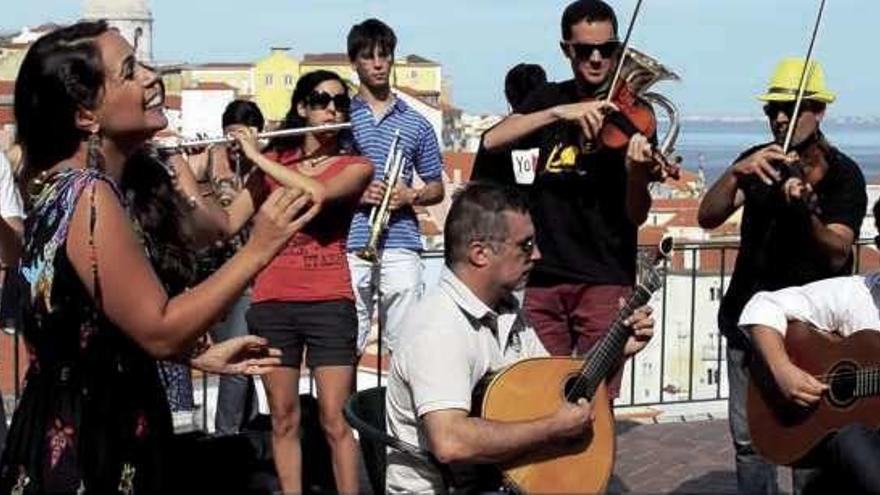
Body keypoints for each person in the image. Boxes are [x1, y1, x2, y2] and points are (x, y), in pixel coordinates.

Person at [0, 21, 313, 493]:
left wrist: (199, 353)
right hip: (95, 445)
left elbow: (88, 326)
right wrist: (258, 248)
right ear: (87, 115)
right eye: (130, 71)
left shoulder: (53, 189)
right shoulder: (89, 194)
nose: (151, 77)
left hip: (64, 431)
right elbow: (160, 328)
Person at [386, 182, 656, 493]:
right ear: (480, 254)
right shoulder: (439, 328)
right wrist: (553, 428)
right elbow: (450, 442)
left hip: (497, 477)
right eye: (525, 246)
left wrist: (617, 350)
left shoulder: (505, 310)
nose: (538, 254)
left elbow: (551, 388)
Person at [697, 58, 867, 494]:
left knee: (811, 442)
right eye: (772, 109)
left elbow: (837, 251)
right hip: (747, 321)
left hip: (812, 332)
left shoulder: (844, 175)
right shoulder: (756, 163)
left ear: (819, 112)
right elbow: (708, 216)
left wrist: (807, 213)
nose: (778, 119)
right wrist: (738, 172)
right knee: (749, 439)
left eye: (789, 109)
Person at [476, 0, 663, 396]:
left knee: (596, 398)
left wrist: (637, 174)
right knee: (542, 393)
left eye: (607, 49)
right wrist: (561, 112)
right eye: (584, 50)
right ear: (566, 50)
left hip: (605, 275)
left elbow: (636, 213)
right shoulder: (549, 98)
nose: (596, 59)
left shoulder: (637, 117)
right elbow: (492, 140)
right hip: (543, 275)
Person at [237, 70, 373, 495]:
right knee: (282, 415)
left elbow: (316, 193)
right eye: (320, 100)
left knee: (336, 418)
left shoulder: (356, 166)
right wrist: (186, 174)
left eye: (339, 103)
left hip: (328, 299)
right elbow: (223, 223)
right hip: (273, 300)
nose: (331, 108)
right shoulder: (274, 164)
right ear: (302, 107)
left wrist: (255, 156)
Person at [739, 202, 880, 493]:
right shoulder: (856, 293)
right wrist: (783, 370)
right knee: (850, 439)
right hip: (860, 447)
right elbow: (763, 305)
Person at [345, 18, 445, 354]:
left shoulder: (416, 122)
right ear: (354, 62)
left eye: (384, 55)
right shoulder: (342, 117)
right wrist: (356, 194)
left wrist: (410, 195)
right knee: (347, 337)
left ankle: (395, 408)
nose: (377, 64)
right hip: (348, 239)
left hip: (401, 240)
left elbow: (436, 187)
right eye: (368, 56)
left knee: (404, 343)